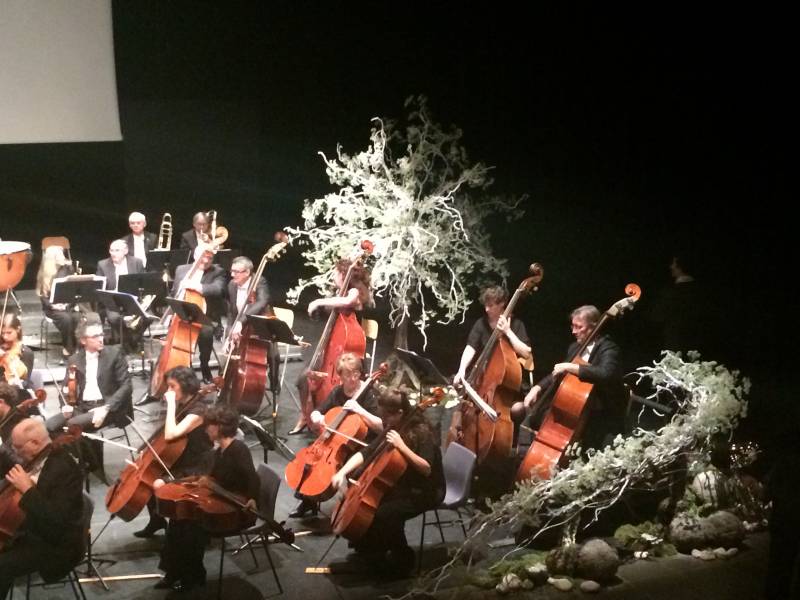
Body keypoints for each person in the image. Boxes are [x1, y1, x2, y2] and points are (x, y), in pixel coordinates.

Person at [331, 388, 444, 577]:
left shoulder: (422, 432)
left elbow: (426, 468)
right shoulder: (393, 427)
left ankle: (402, 560)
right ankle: (370, 551)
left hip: (426, 490)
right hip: (405, 484)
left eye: (386, 416)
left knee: (384, 513)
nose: (383, 421)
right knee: (373, 505)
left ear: (400, 413)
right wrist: (342, 472)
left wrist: (402, 446)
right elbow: (368, 452)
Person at [155, 404, 258, 592]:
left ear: (219, 427)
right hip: (218, 501)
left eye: (209, 425)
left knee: (191, 527)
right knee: (178, 521)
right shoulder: (219, 451)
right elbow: (213, 477)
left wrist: (252, 498)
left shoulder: (238, 449)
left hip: (234, 510)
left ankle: (192, 576)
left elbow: (252, 479)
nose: (205, 429)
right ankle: (174, 573)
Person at [515, 305, 627, 452]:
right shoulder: (574, 347)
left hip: (598, 412)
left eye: (578, 327)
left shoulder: (608, 348)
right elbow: (558, 372)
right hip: (574, 406)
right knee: (525, 413)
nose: (573, 331)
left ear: (594, 327)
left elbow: (605, 373)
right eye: (572, 326)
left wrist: (571, 367)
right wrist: (538, 387)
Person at [289, 353, 383, 518]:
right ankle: (308, 501)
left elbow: (382, 426)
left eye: (345, 375)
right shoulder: (338, 392)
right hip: (337, 439)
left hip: (361, 443)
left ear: (356, 374)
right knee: (314, 463)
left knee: (353, 470)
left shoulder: (369, 394)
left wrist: (359, 410)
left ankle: (350, 507)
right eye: (340, 374)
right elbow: (317, 412)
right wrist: (318, 418)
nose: (341, 379)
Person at [0, 418, 85, 598]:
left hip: (56, 544)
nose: (16, 452)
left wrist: (28, 490)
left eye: (18, 447)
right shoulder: (39, 456)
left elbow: (57, 521)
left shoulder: (64, 468)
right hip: (33, 528)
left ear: (35, 442)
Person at [293, 258, 373, 433]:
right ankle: (306, 416)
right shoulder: (340, 290)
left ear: (344, 274)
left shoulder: (355, 291)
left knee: (329, 386)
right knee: (302, 379)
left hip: (347, 358)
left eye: (336, 272)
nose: (333, 275)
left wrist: (318, 302)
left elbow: (348, 302)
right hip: (332, 349)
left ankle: (327, 420)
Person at [134, 365, 213, 539]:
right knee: (146, 476)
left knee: (157, 483)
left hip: (196, 465)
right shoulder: (185, 405)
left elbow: (171, 434)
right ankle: (157, 521)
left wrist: (170, 404)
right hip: (182, 459)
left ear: (185, 386)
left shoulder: (198, 411)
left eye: (172, 386)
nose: (168, 391)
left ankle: (178, 528)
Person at [448, 285, 532, 442]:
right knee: (460, 395)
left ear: (502, 304)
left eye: (491, 305)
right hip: (486, 380)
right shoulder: (481, 324)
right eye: (485, 305)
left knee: (515, 410)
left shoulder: (516, 325)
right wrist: (461, 370)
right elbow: (470, 346)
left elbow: (526, 352)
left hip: (507, 385)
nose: (487, 309)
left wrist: (508, 331)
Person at [225, 256, 280, 393]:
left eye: (236, 272)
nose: (232, 275)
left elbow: (261, 302)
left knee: (272, 353)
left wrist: (240, 322)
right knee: (228, 356)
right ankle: (228, 387)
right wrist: (229, 334)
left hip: (260, 324)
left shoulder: (259, 281)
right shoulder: (232, 285)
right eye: (232, 271)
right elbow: (232, 311)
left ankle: (274, 380)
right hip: (240, 326)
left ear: (247, 272)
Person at [172, 251, 226, 382]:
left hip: (206, 316)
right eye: (203, 257)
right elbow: (174, 292)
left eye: (210, 258)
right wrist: (171, 313)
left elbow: (217, 289)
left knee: (206, 333)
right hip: (183, 314)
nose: (206, 261)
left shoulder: (217, 271)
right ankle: (184, 369)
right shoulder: (181, 269)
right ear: (195, 256)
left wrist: (197, 286)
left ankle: (204, 366)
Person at [95, 239, 145, 346]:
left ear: (125, 251)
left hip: (133, 300)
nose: (113, 253)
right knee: (114, 318)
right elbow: (100, 287)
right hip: (113, 301)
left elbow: (143, 283)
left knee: (146, 318)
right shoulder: (102, 264)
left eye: (117, 250)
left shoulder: (137, 262)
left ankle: (132, 340)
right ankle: (128, 342)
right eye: (111, 250)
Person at [36, 245, 80, 358]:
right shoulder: (44, 273)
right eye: (59, 255)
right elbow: (43, 296)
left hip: (67, 304)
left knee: (77, 317)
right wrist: (53, 305)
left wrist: (67, 304)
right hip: (52, 307)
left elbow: (74, 290)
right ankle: (69, 348)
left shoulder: (67, 269)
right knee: (66, 319)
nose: (63, 257)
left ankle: (77, 348)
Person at [0, 312, 35, 392]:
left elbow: (25, 382)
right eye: (2, 333)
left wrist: (8, 363)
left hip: (15, 394)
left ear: (18, 330)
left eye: (9, 333)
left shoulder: (26, 353)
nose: (5, 337)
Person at [0, 382, 25, 476]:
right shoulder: (3, 420)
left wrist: (1, 445)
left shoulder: (19, 424)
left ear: (1, 402)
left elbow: (22, 463)